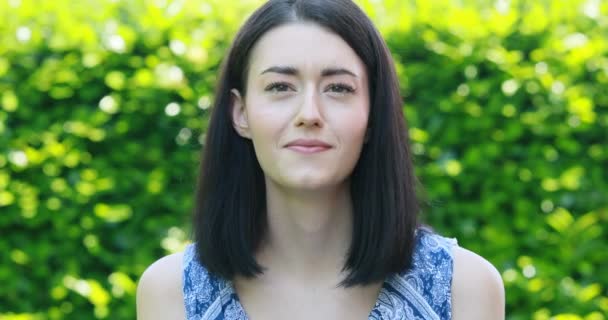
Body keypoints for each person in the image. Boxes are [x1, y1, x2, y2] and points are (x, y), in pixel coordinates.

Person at [136, 0, 505, 319]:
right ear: (241, 113)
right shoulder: (171, 295)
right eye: (280, 87)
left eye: (338, 88)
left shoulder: (463, 288)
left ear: (374, 114)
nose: (309, 113)